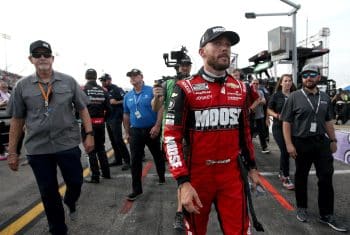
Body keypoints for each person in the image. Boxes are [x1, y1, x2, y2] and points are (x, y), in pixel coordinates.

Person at [163, 26, 262, 234]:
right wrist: (183, 181)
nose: (224, 49)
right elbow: (171, 137)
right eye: (217, 44)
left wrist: (252, 166)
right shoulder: (185, 88)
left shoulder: (241, 88)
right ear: (202, 52)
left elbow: (244, 132)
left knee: (240, 231)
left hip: (231, 175)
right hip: (198, 176)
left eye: (227, 45)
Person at [7, 40, 94, 235]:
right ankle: (58, 229)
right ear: (31, 59)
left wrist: (89, 134)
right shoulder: (21, 86)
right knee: (48, 192)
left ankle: (70, 201)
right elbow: (17, 120)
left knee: (76, 181)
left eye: (46, 54)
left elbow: (83, 109)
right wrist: (12, 152)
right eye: (37, 55)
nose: (42, 58)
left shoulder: (69, 81)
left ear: (52, 58)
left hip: (67, 144)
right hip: (38, 149)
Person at [281, 64, 347, 232]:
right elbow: (286, 122)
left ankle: (326, 214)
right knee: (301, 177)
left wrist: (332, 140)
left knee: (326, 177)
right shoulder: (294, 97)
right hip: (301, 143)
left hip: (321, 143)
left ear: (318, 77)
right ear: (301, 78)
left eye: (312, 74)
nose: (308, 78)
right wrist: (289, 144)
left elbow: (327, 121)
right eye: (304, 75)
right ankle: (302, 208)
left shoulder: (324, 97)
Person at [152, 56, 192, 231]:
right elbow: (155, 107)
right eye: (182, 65)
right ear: (177, 67)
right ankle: (180, 212)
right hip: (173, 137)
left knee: (190, 175)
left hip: (192, 135)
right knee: (182, 177)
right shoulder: (168, 84)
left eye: (187, 65)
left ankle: (184, 209)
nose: (185, 68)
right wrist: (157, 97)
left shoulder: (194, 81)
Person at [123, 68, 166, 201]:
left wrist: (158, 126)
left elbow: (160, 108)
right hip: (135, 131)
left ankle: (161, 176)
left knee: (157, 155)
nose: (133, 79)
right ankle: (136, 190)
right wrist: (127, 132)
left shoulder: (151, 90)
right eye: (131, 77)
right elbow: (126, 114)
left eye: (135, 76)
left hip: (151, 129)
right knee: (135, 160)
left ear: (141, 77)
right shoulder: (127, 96)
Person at [267, 74, 296, 190]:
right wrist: (277, 115)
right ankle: (285, 176)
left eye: (290, 81)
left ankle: (281, 171)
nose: (288, 83)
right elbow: (268, 109)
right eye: (286, 81)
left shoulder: (295, 95)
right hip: (278, 127)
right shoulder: (276, 95)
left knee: (289, 151)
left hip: (292, 128)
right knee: (285, 150)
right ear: (281, 83)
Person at [82, 69, 111, 183]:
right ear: (96, 77)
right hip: (100, 123)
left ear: (86, 76)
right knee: (101, 147)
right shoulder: (103, 90)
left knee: (91, 149)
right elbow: (109, 109)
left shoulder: (83, 90)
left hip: (88, 124)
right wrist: (104, 119)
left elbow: (78, 108)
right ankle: (106, 173)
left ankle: (95, 176)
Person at [99, 73, 130, 171]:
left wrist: (116, 102)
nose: (103, 82)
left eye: (104, 80)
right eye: (102, 80)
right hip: (108, 118)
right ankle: (118, 159)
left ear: (109, 80)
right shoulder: (103, 90)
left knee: (118, 140)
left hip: (116, 117)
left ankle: (128, 161)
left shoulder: (116, 88)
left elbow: (126, 98)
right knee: (113, 140)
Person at [250, 78, 270, 153]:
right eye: (254, 83)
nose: (255, 85)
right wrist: (259, 100)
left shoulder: (261, 92)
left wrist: (257, 101)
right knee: (250, 133)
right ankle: (249, 148)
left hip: (259, 115)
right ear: (251, 84)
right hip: (250, 116)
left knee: (262, 132)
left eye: (257, 83)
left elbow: (264, 102)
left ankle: (264, 147)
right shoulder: (249, 92)